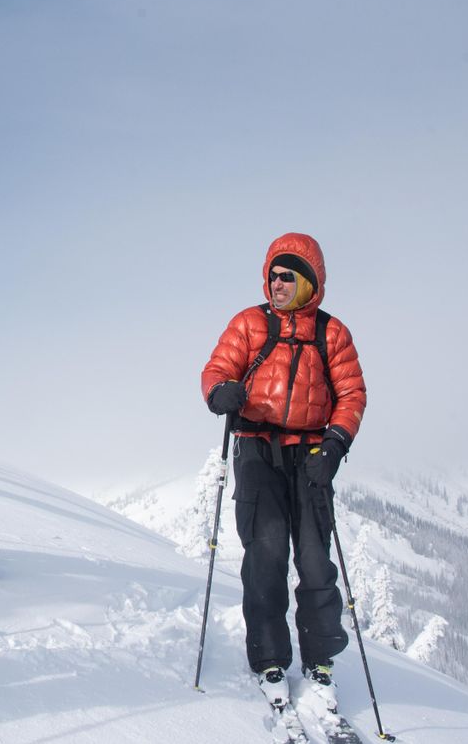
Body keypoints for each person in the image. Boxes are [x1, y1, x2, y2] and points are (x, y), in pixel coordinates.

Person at [200, 232, 367, 711]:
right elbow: (217, 368)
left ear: (309, 281)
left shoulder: (331, 333)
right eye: (272, 273)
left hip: (312, 455)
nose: (276, 282)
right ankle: (269, 658)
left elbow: (352, 394)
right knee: (266, 554)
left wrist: (335, 444)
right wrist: (219, 393)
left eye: (287, 275)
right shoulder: (250, 323)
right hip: (257, 450)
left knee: (315, 560)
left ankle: (320, 661)